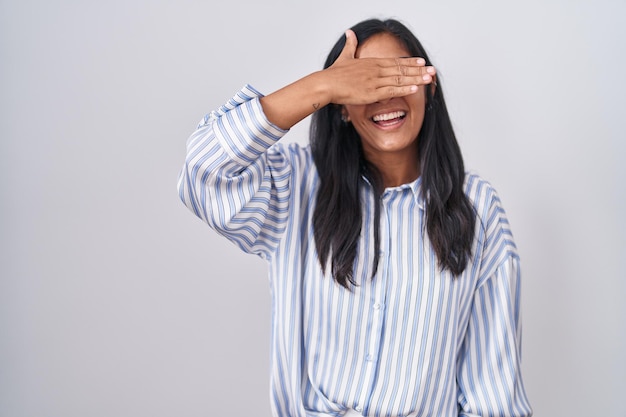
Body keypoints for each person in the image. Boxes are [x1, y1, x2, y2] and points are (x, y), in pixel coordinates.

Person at [178, 18, 532, 417]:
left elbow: (494, 397)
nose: (384, 97)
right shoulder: (295, 186)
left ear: (428, 88)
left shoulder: (477, 208)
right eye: (366, 83)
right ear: (342, 108)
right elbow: (204, 168)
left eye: (397, 78)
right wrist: (322, 85)